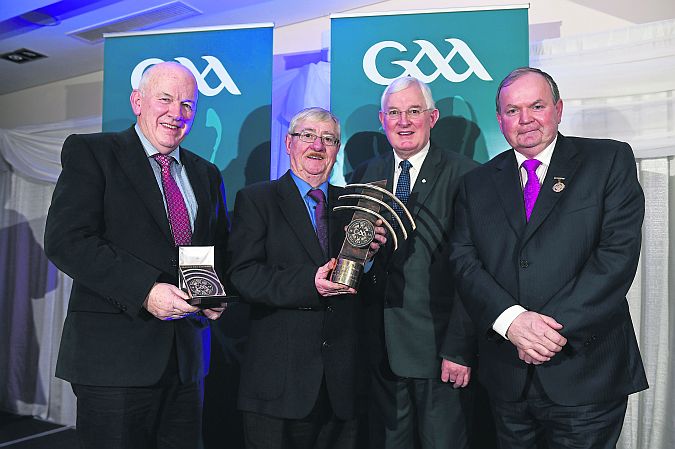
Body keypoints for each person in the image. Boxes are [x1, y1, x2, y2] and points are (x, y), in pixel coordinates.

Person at [449, 67, 648, 449]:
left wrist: (544, 334)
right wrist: (512, 323)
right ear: (499, 119)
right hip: (508, 375)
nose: (525, 120)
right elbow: (464, 261)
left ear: (558, 109)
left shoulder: (607, 160)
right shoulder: (476, 183)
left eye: (537, 106)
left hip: (586, 371)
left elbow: (616, 257)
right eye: (512, 110)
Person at [44, 61, 229, 449]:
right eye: (165, 99)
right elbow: (67, 240)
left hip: (186, 361)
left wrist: (215, 293)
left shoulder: (206, 173)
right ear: (137, 101)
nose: (176, 113)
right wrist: (146, 290)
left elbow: (211, 249)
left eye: (188, 105)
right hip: (114, 362)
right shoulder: (92, 152)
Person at [226, 107, 386, 449]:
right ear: (288, 143)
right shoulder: (257, 199)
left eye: (328, 139)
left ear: (337, 149)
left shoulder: (353, 204)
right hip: (278, 387)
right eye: (308, 136)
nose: (318, 145)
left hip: (342, 386)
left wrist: (368, 262)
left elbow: (371, 290)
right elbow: (243, 275)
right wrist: (308, 283)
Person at [350, 76, 478, 449]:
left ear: (433, 117)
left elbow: (473, 273)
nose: (403, 121)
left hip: (439, 353)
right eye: (394, 112)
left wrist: (459, 348)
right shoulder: (365, 175)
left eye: (413, 111)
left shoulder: (466, 176)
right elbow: (356, 260)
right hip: (381, 353)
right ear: (381, 119)